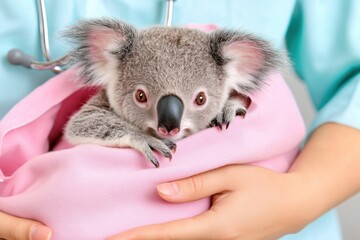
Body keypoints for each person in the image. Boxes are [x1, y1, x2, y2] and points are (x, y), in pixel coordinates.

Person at [0, 0, 359, 239]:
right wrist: (137, 138)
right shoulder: (105, 91)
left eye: (200, 99)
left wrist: (304, 195)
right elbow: (80, 127)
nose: (168, 123)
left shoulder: (232, 89)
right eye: (142, 96)